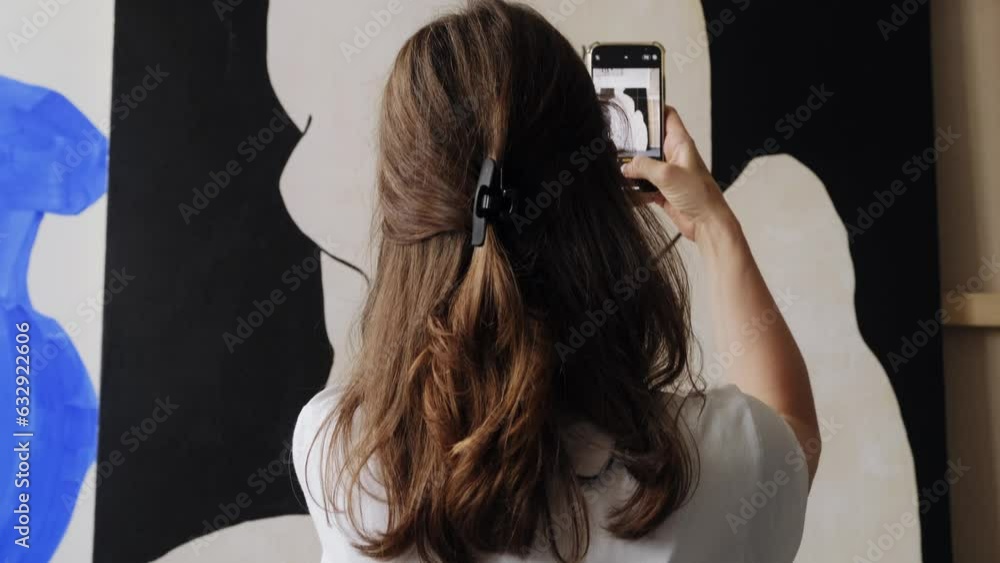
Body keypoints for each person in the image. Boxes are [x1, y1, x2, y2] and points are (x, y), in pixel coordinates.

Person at [293, 1, 819, 562]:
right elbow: (795, 438)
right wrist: (715, 227)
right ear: (595, 192)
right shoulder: (723, 461)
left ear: (405, 208)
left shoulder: (339, 456)